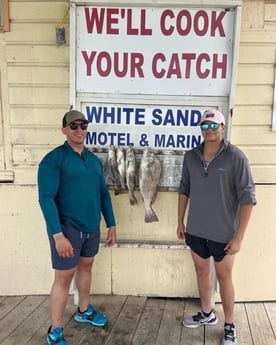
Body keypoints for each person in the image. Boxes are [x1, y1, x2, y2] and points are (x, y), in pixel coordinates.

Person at [177, 109, 256, 345]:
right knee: (202, 272)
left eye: (214, 125)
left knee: (224, 277)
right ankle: (206, 313)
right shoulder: (190, 157)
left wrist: (239, 237)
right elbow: (184, 189)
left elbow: (248, 199)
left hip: (224, 234)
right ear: (200, 129)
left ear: (223, 128)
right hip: (195, 230)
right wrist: (180, 221)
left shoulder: (236, 158)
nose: (209, 130)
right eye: (205, 125)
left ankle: (230, 325)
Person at [38, 110, 117, 345]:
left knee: (86, 267)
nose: (79, 129)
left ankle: (83, 310)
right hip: (67, 230)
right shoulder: (53, 160)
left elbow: (103, 194)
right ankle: (55, 330)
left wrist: (111, 223)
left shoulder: (93, 160)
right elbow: (46, 199)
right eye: (73, 125)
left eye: (83, 125)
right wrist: (57, 235)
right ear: (64, 130)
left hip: (91, 228)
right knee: (63, 279)